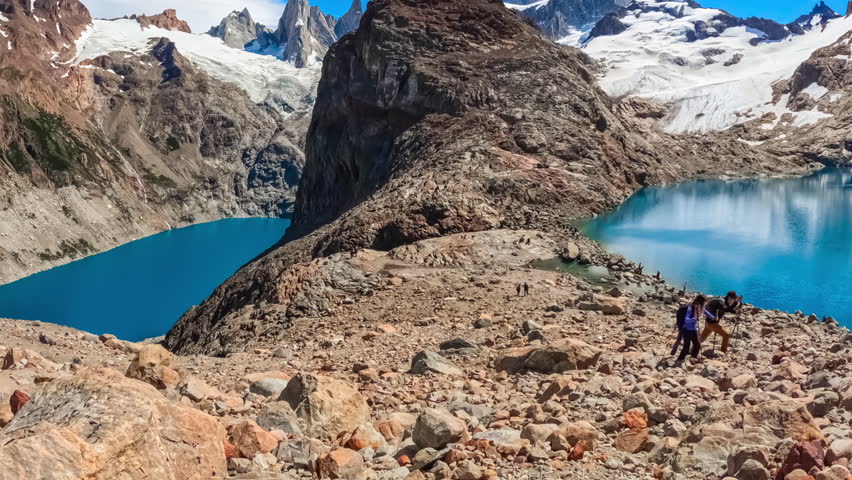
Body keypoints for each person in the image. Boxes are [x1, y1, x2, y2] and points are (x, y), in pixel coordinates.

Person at [676, 295, 713, 364]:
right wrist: (694, 318)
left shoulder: (700, 307)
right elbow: (686, 320)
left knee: (697, 345)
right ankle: (680, 359)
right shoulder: (691, 308)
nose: (705, 304)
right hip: (686, 329)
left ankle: (693, 358)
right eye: (704, 302)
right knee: (686, 346)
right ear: (700, 302)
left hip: (693, 328)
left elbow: (705, 312)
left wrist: (713, 317)